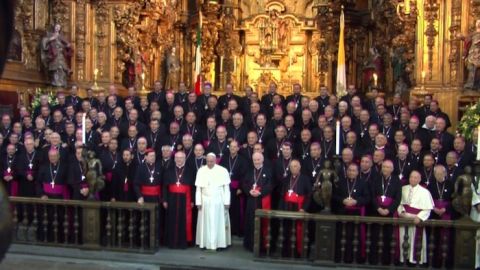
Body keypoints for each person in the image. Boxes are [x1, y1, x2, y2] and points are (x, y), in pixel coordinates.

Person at [195, 153, 231, 250]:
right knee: (205, 223)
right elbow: (198, 188)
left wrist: (227, 202)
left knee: (218, 223)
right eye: (208, 161)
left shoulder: (223, 170)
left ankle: (220, 244)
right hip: (205, 200)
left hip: (218, 200)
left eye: (212, 161)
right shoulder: (201, 171)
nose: (210, 163)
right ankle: (204, 243)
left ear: (215, 160)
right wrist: (198, 202)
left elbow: (226, 188)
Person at [396, 170, 434, 265]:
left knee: (415, 241)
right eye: (411, 177)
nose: (413, 179)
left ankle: (415, 261)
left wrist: (420, 217)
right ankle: (403, 260)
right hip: (404, 219)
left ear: (420, 179)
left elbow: (427, 209)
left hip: (416, 219)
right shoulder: (403, 188)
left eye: (416, 177)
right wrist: (401, 212)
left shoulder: (425, 192)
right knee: (403, 240)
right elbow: (398, 203)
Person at [163, 151, 195, 249]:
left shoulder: (191, 170)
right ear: (174, 158)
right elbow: (164, 186)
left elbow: (193, 187)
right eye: (177, 157)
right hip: (171, 198)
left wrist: (192, 200)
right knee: (171, 220)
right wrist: (164, 200)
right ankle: (171, 242)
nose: (179, 159)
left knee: (184, 220)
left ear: (184, 159)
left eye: (181, 158)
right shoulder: (169, 169)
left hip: (185, 199)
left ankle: (183, 242)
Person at [242, 152, 272, 251]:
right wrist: (249, 191)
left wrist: (260, 192)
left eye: (258, 159)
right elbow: (244, 184)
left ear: (262, 160)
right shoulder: (250, 171)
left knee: (262, 222)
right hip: (251, 200)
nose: (256, 162)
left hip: (262, 200)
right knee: (250, 221)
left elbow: (270, 185)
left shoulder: (268, 171)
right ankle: (250, 244)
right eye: (254, 160)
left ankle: (261, 246)